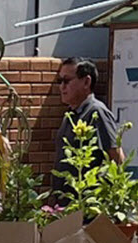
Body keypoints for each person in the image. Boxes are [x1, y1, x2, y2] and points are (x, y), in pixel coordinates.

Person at [52, 58, 123, 192]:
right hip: (67, 200)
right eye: (59, 81)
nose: (62, 87)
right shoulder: (70, 115)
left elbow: (116, 158)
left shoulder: (97, 113)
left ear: (86, 82)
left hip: (88, 200)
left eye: (66, 81)